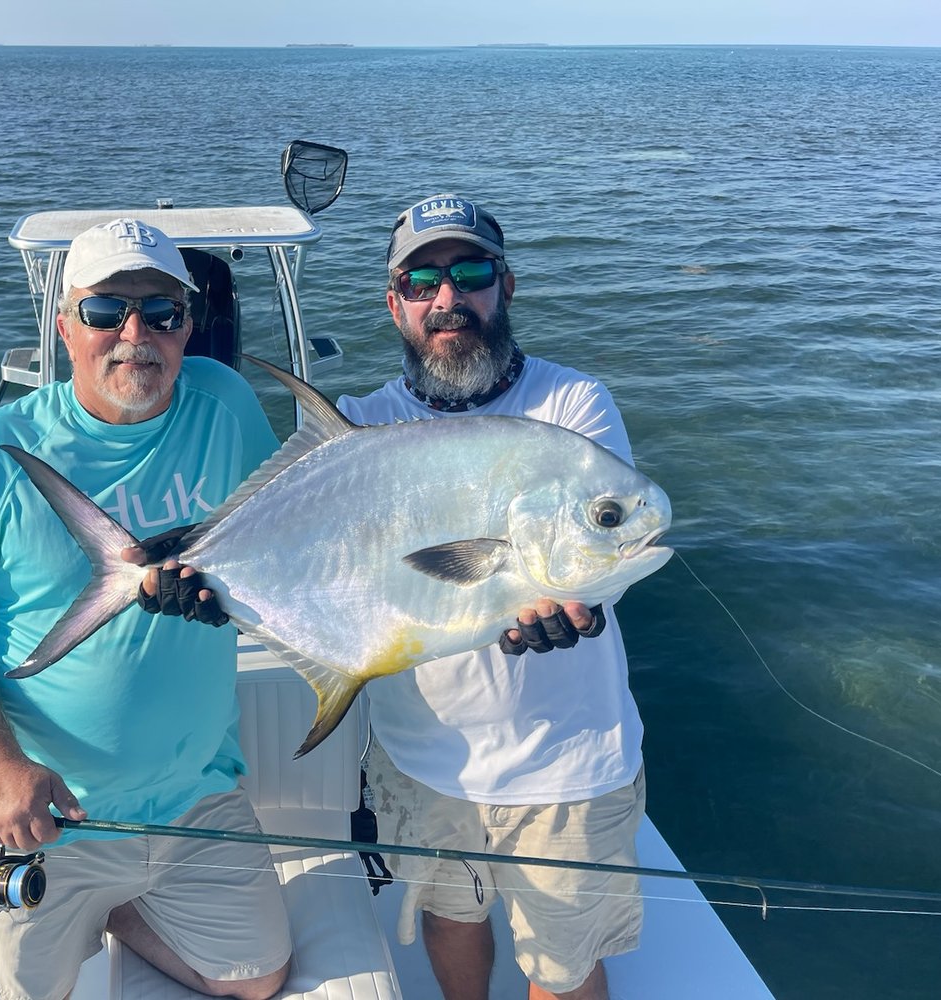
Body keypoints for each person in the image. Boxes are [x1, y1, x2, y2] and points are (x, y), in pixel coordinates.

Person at [0, 217, 291, 1000]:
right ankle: (97, 901)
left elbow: (272, 534)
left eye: (162, 312)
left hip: (195, 796)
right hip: (50, 812)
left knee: (256, 982)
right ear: (64, 323)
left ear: (189, 327)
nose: (135, 334)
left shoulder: (226, 402)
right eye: (106, 311)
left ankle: (119, 914)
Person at [334, 195, 646, 1000]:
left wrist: (575, 598)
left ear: (504, 284)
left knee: (564, 964)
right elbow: (337, 579)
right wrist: (183, 570)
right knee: (449, 918)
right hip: (421, 756)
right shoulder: (356, 426)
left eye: (469, 274)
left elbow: (594, 553)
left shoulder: (570, 410)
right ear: (393, 301)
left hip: (568, 763)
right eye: (421, 280)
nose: (448, 300)